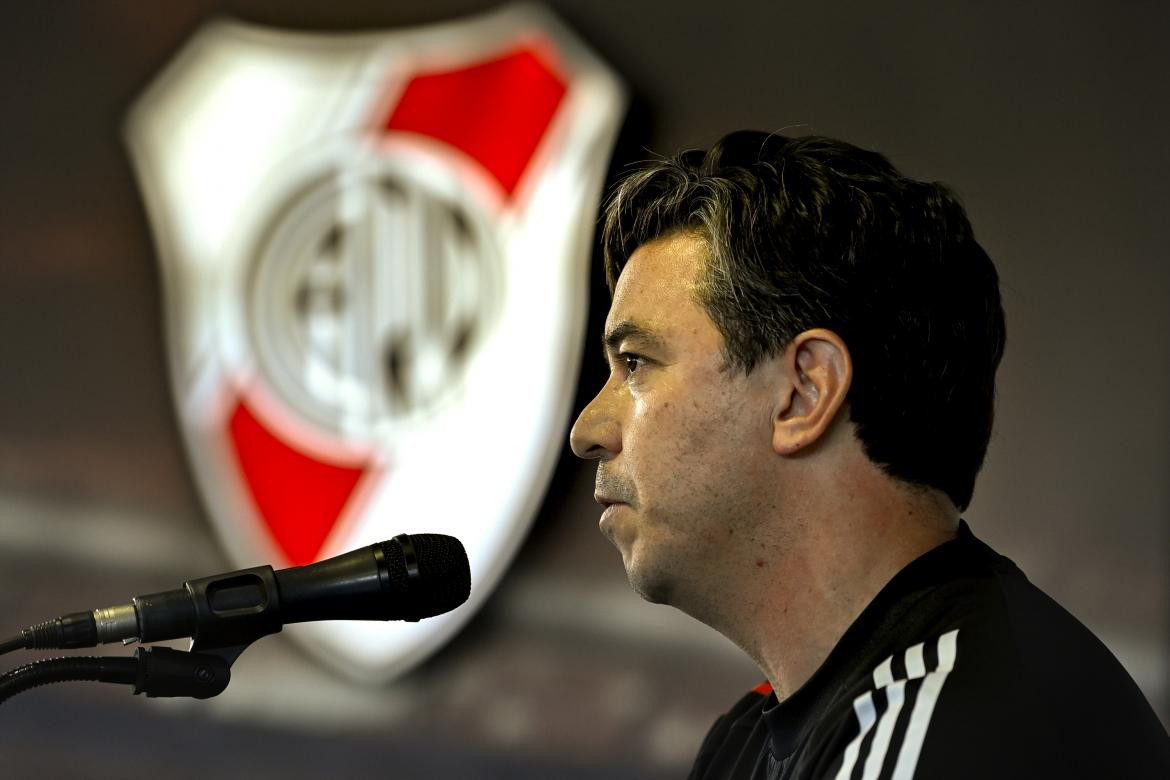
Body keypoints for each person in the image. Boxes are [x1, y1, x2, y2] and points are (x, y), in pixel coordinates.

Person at [569, 131, 1170, 779]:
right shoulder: (754, 740)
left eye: (635, 363)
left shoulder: (959, 733)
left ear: (805, 391)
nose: (587, 430)